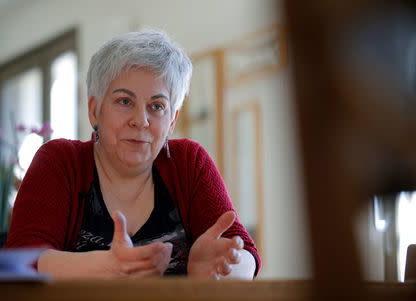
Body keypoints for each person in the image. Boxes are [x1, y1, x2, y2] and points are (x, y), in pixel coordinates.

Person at [4, 29, 260, 279]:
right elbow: (21, 261)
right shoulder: (60, 161)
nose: (141, 121)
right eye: (125, 101)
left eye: (157, 106)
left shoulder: (189, 162)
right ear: (95, 110)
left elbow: (245, 256)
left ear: (172, 121)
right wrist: (108, 267)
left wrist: (220, 272)